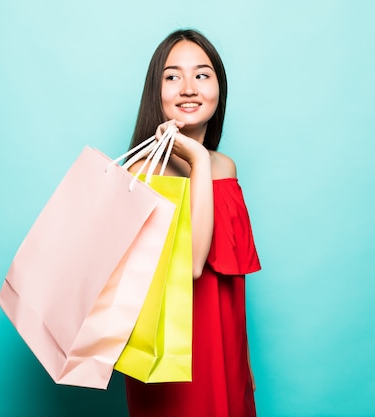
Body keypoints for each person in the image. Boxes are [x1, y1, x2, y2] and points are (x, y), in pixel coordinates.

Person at [124, 29, 262, 417]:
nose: (188, 88)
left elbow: (235, 278)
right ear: (157, 90)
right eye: (172, 76)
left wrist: (243, 357)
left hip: (226, 348)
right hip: (169, 359)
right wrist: (198, 160)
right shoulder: (141, 173)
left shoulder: (226, 168)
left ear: (220, 88)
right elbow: (194, 265)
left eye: (202, 75)